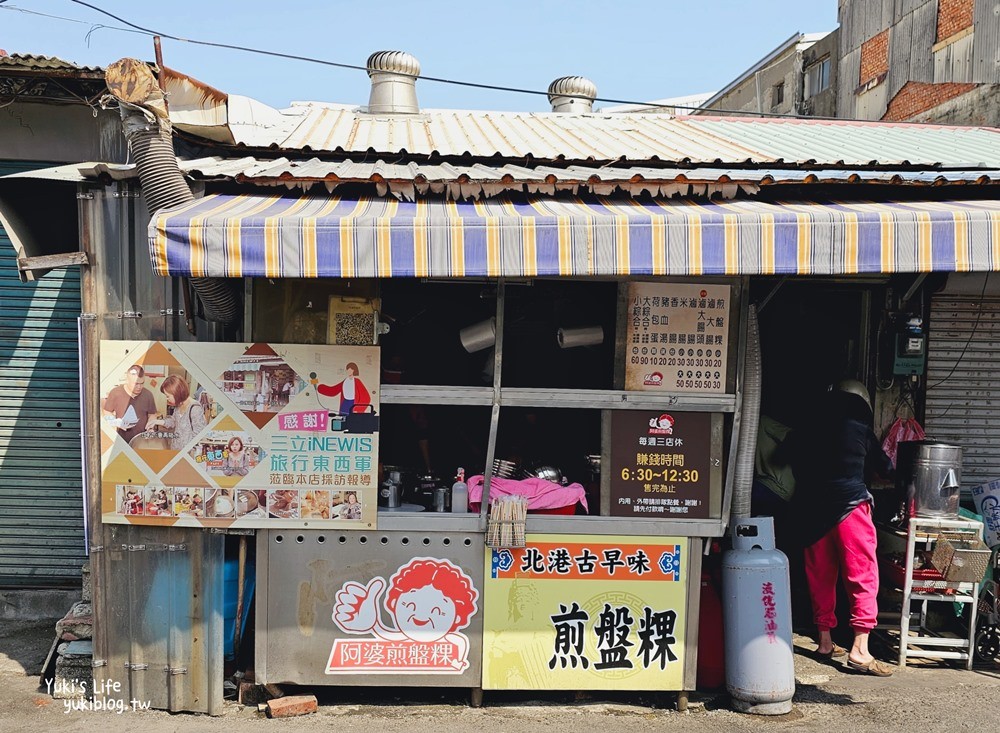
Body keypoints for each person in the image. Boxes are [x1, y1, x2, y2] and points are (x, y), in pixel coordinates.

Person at [790, 379, 895, 677]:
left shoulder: (809, 429)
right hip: (851, 508)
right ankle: (860, 649)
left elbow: (786, 458)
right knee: (861, 575)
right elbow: (886, 469)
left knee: (820, 575)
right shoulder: (860, 428)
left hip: (812, 508)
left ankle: (825, 641)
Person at [102, 364, 158, 445]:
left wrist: (150, 427)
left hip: (141, 440)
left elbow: (152, 415)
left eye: (142, 383)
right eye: (136, 383)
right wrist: (115, 422)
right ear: (127, 380)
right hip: (120, 440)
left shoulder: (148, 395)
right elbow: (107, 411)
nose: (139, 387)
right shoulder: (115, 392)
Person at [153, 375, 208, 450]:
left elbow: (199, 436)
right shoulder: (179, 405)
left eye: (168, 396)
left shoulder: (195, 409)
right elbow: (174, 421)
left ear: (177, 394)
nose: (167, 399)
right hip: (175, 447)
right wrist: (156, 421)